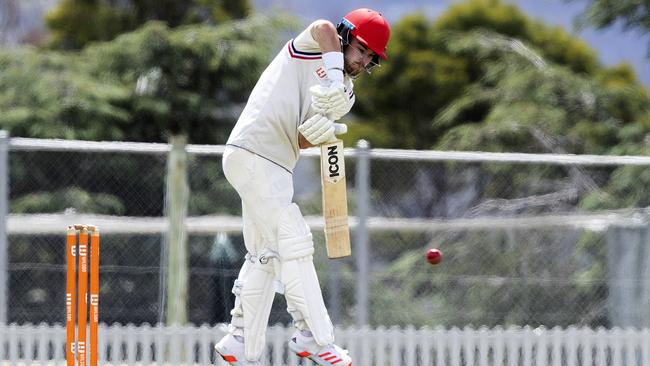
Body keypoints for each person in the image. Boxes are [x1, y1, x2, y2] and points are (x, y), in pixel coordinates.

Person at [215, 8, 390, 366]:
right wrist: (333, 78)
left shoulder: (345, 94)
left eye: (370, 58)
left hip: (275, 163)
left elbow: (299, 136)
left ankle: (239, 339)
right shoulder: (314, 46)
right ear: (345, 35)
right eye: (360, 49)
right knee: (294, 242)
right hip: (254, 151)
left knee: (266, 253)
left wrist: (318, 133)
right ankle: (314, 336)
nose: (362, 61)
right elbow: (323, 26)